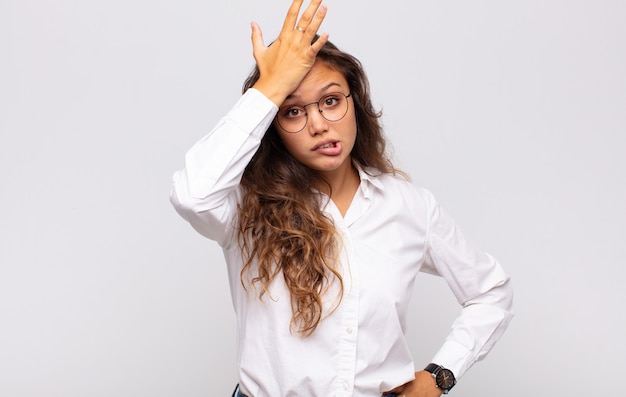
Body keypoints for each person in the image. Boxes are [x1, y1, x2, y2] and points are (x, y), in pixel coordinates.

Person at [170, 0, 513, 396]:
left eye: (331, 101)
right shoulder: (244, 207)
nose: (318, 124)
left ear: (356, 104)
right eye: (292, 111)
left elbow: (491, 291)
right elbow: (192, 196)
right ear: (273, 127)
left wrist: (441, 374)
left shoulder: (409, 206)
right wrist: (271, 87)